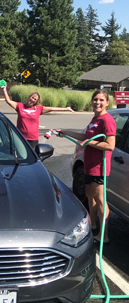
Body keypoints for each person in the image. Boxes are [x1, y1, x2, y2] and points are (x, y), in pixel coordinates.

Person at [57, 89, 116, 244]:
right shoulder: (95, 119)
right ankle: (94, 225)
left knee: (101, 200)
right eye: (95, 99)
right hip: (89, 166)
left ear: (107, 102)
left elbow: (110, 145)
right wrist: (66, 132)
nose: (97, 102)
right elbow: (86, 136)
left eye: (101, 100)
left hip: (99, 167)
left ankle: (104, 235)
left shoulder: (107, 120)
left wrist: (90, 143)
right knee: (90, 196)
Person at [2, 86, 75, 149]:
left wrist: (66, 109)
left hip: (33, 139)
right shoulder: (20, 106)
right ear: (29, 97)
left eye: (35, 99)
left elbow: (52, 108)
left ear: (36, 101)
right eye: (32, 97)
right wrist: (4, 89)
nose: (32, 100)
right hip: (20, 137)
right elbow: (8, 101)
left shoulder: (38, 109)